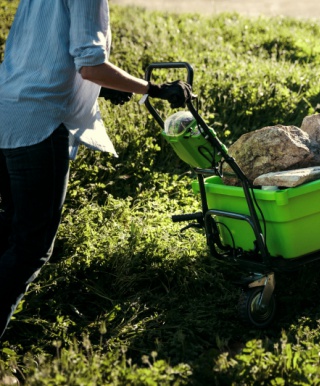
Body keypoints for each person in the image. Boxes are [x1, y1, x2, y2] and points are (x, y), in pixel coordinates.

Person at [0, 0, 192, 341]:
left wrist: (101, 87)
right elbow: (90, 65)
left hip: (7, 108)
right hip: (37, 122)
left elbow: (43, 51)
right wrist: (154, 90)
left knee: (8, 232)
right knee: (31, 247)